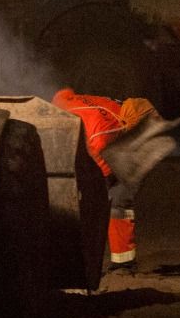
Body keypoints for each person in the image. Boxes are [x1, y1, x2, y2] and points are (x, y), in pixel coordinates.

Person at [51, 88, 158, 273]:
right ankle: (113, 262)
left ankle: (122, 263)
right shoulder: (104, 129)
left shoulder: (110, 115)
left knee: (115, 199)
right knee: (111, 199)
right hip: (104, 138)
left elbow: (64, 93)